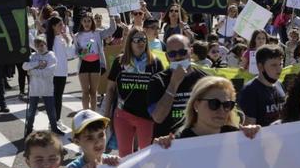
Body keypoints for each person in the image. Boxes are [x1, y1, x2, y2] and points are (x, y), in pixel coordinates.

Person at [102, 28, 163, 157]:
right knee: (124, 155)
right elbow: (110, 89)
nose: (141, 42)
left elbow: (161, 91)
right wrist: (106, 115)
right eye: (137, 40)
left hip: (146, 117)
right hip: (123, 115)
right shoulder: (120, 62)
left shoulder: (155, 62)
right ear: (130, 42)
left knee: (147, 154)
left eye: (143, 39)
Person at [156, 77, 261, 146]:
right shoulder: (179, 142)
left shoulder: (236, 136)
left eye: (227, 105)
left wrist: (255, 136)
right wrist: (160, 149)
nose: (222, 110)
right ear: (196, 105)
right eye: (214, 104)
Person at [147, 35, 207, 138]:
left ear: (191, 52)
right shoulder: (157, 80)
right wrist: (173, 84)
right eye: (172, 54)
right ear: (167, 57)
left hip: (197, 142)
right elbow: (158, 117)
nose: (178, 57)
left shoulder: (204, 79)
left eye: (182, 52)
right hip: (166, 143)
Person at [74, 12, 120, 110]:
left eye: (89, 21)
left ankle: (93, 113)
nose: (87, 23)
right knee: (85, 92)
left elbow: (112, 29)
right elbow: (76, 52)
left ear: (92, 22)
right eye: (84, 21)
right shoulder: (78, 35)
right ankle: (86, 113)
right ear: (81, 22)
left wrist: (111, 16)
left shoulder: (98, 33)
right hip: (84, 64)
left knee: (93, 92)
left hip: (96, 63)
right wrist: (82, 52)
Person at [22, 35, 62, 136]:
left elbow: (49, 72)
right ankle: (29, 129)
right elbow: (24, 66)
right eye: (37, 46)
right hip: (34, 89)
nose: (40, 47)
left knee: (51, 111)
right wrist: (38, 63)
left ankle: (54, 127)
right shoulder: (33, 56)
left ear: (45, 44)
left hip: (47, 88)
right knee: (31, 112)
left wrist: (32, 72)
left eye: (41, 45)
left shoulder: (51, 56)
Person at [238, 45, 286, 127]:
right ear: (260, 66)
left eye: (280, 64)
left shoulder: (280, 84)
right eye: (274, 65)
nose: (279, 69)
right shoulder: (250, 90)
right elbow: (249, 127)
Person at [46, 16, 73, 127]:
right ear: (53, 27)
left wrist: (68, 42)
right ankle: (52, 120)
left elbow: (71, 54)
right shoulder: (46, 39)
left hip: (62, 72)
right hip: (51, 73)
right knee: (52, 97)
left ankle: (57, 120)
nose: (62, 27)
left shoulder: (64, 38)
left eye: (62, 24)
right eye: (59, 25)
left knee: (58, 96)